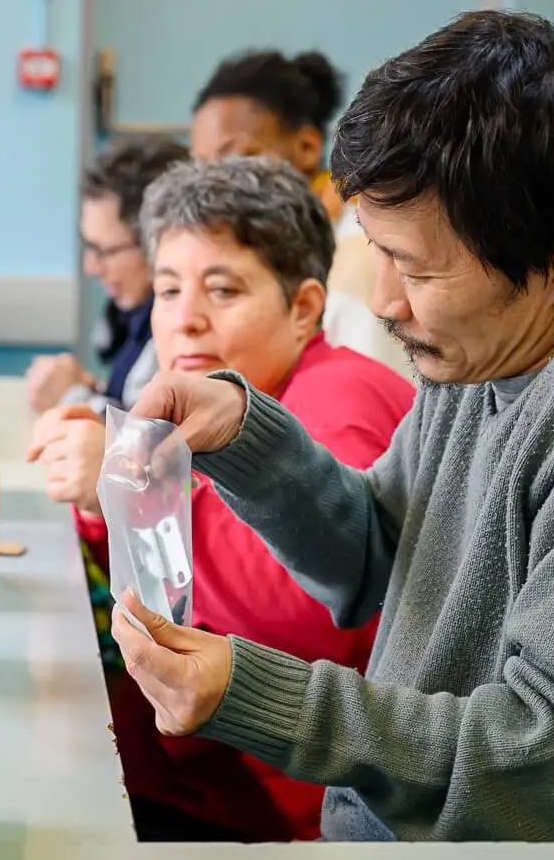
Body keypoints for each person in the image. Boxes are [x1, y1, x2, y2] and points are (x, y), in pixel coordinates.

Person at [110, 10, 554, 844]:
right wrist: (248, 437)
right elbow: (377, 558)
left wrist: (264, 698)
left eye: (417, 269)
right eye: (379, 253)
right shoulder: (490, 345)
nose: (385, 301)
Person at [26, 155, 414, 842]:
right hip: (229, 757)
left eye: (223, 290)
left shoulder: (341, 395)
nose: (186, 320)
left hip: (297, 797)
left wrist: (132, 485)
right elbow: (173, 580)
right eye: (168, 289)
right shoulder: (236, 392)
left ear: (303, 309)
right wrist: (102, 504)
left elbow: (311, 613)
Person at [189, 49, 404, 376]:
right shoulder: (257, 258)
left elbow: (367, 396)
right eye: (202, 168)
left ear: (307, 147)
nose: (215, 186)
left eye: (236, 159)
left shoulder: (359, 259)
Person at [24, 136, 191, 414]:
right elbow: (132, 404)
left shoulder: (181, 334)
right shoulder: (132, 319)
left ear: (157, 243)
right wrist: (94, 392)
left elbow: (148, 436)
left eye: (105, 251)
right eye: (89, 247)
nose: (91, 267)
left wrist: (71, 397)